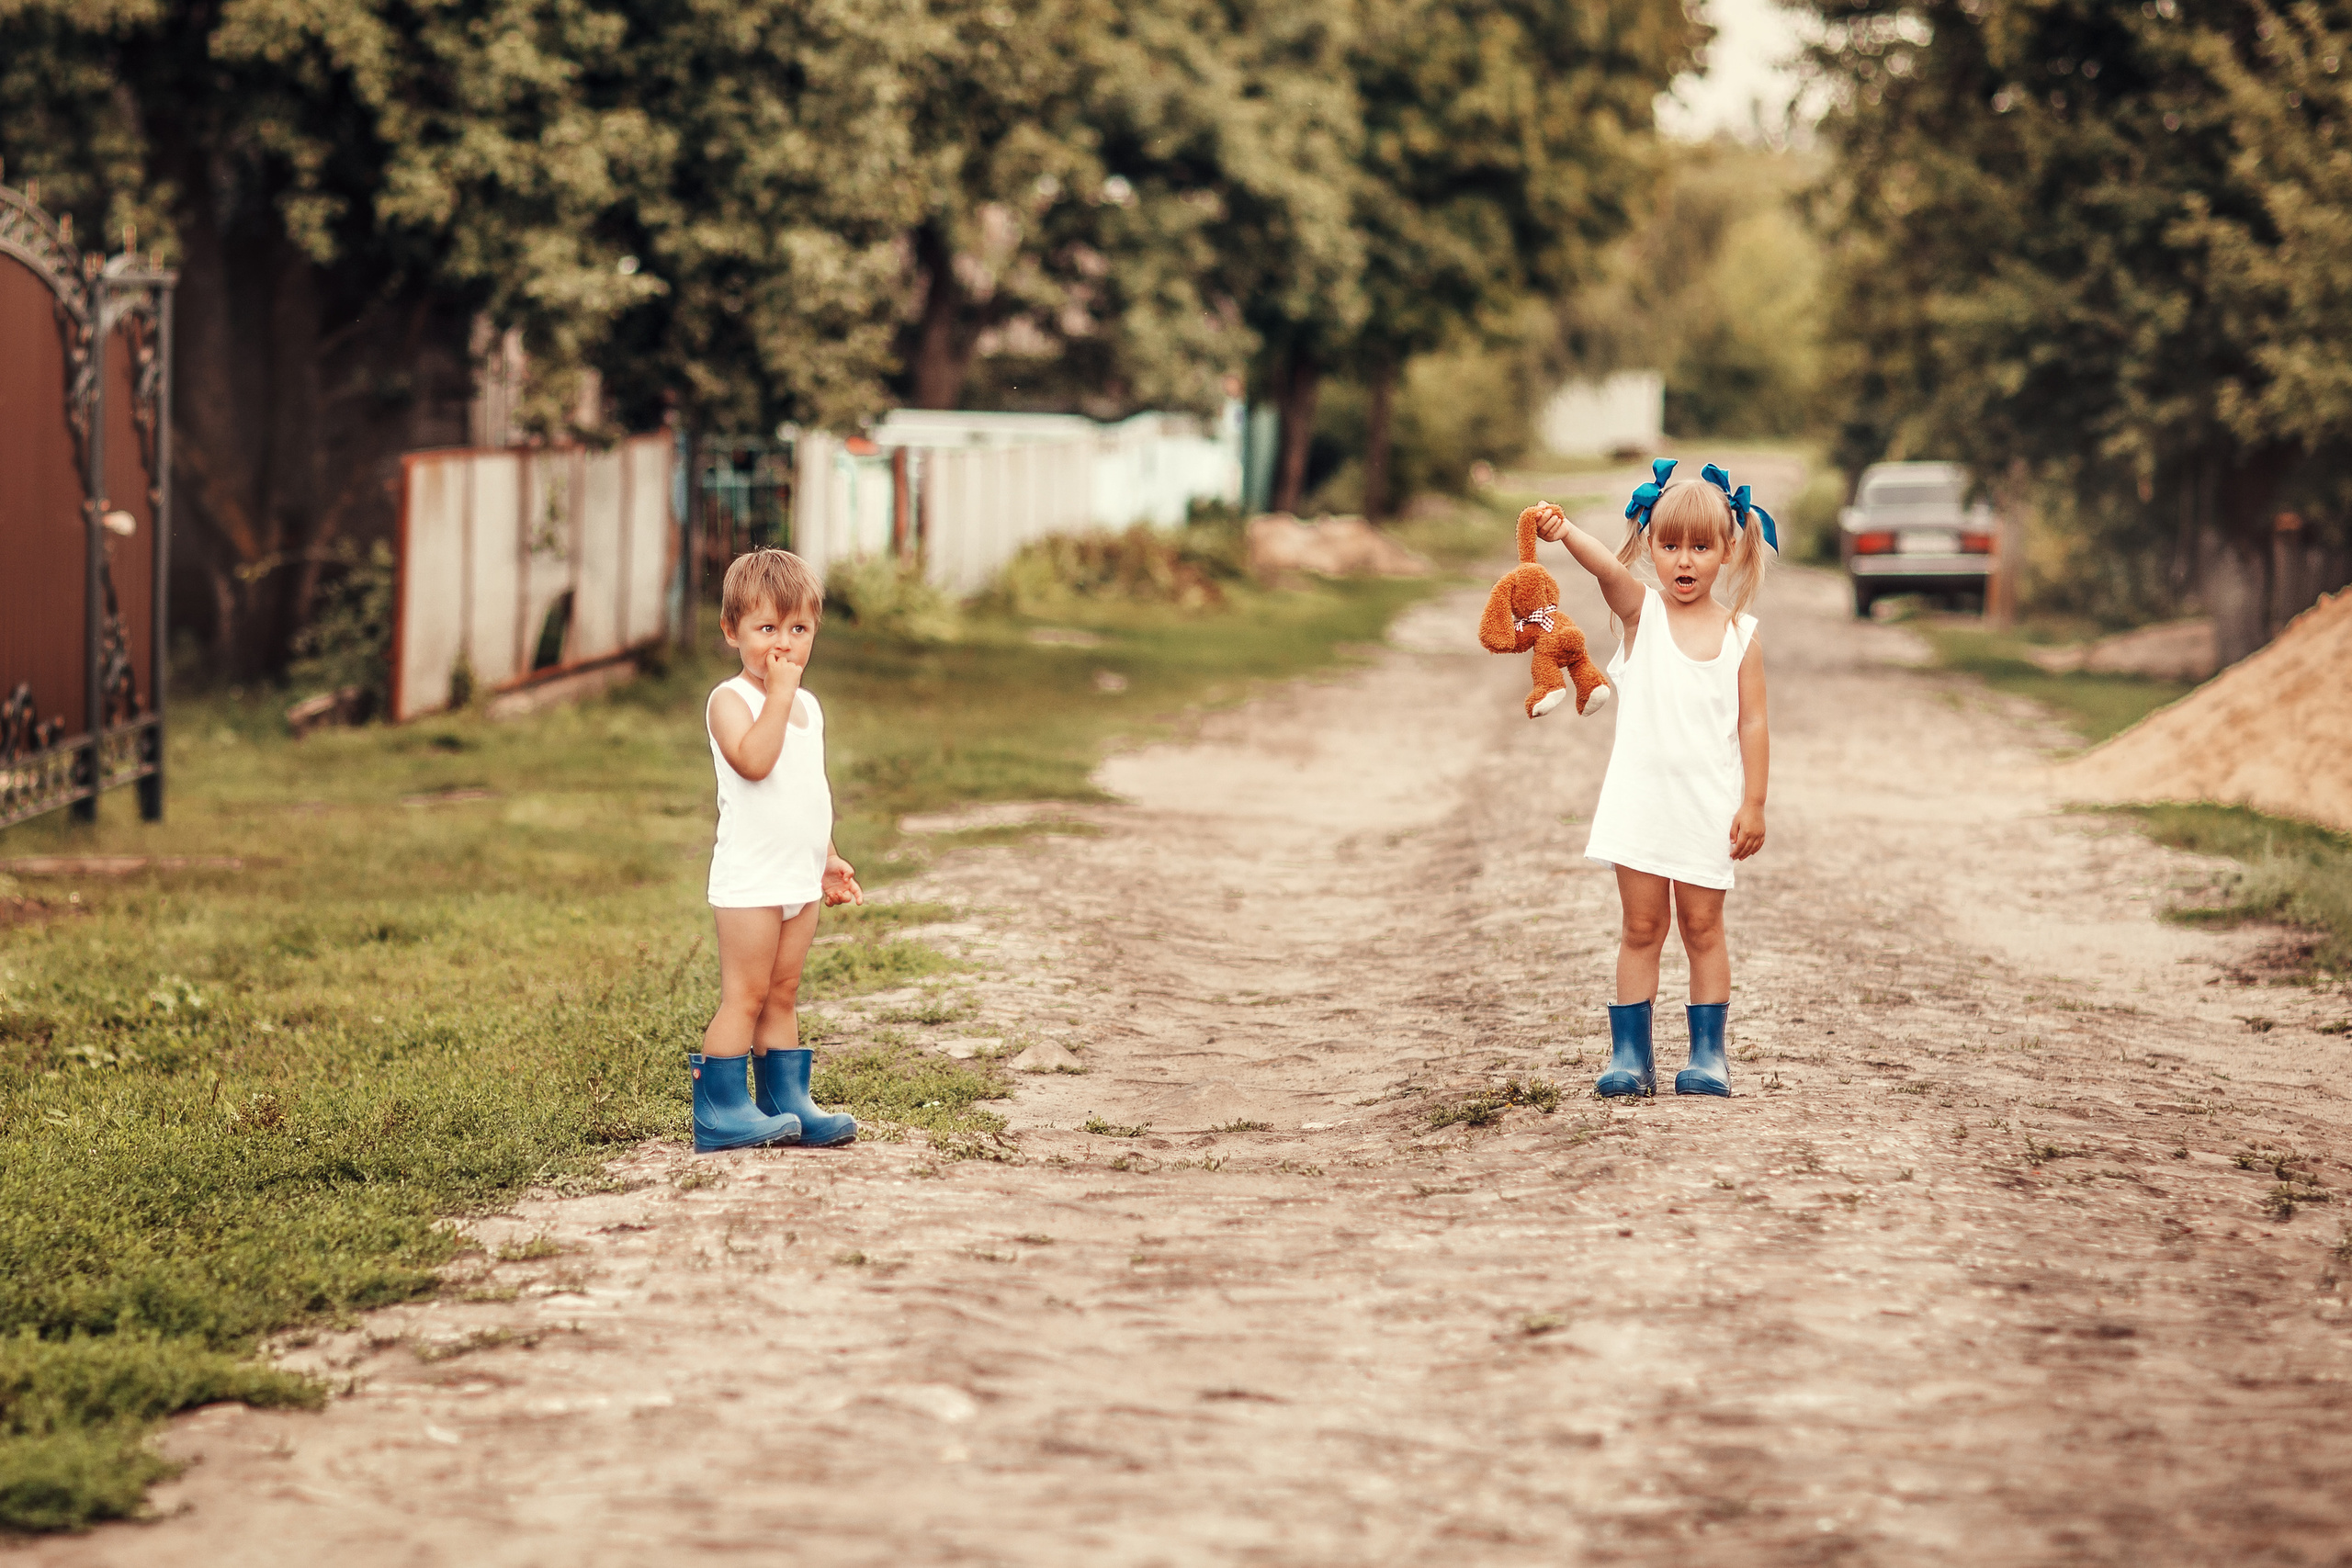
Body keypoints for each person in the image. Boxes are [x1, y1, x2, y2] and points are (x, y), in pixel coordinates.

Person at [1534, 460, 1775, 1098]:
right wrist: (1565, 533)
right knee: (1641, 928)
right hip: (1640, 807)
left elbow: (1753, 724)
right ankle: (1630, 1056)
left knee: (1703, 929)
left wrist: (1754, 802)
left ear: (1727, 550)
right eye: (1669, 546)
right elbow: (1606, 571)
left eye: (1700, 547)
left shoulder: (1741, 636)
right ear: (1650, 548)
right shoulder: (1643, 615)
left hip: (1705, 811)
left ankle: (1708, 1055)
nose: (1684, 560)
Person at [690, 548, 864, 1152]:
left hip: (797, 876)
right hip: (751, 880)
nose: (783, 645)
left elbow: (807, 789)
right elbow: (756, 762)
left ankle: (786, 1103)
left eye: (799, 629)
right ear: (731, 629)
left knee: (783, 994)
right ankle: (719, 1111)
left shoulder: (808, 707)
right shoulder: (730, 700)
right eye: (767, 628)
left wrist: (827, 856)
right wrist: (780, 697)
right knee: (746, 995)